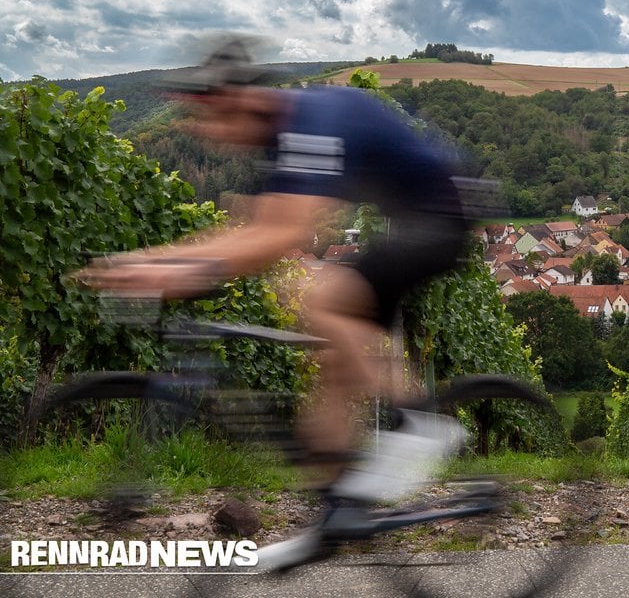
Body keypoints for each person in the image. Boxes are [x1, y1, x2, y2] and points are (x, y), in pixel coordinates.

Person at [80, 35, 471, 569]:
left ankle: (420, 422)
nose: (212, 136)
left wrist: (176, 272)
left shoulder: (309, 123)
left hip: (439, 220)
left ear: (243, 101)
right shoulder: (281, 136)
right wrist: (155, 261)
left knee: (322, 301)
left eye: (213, 120)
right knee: (327, 378)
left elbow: (276, 237)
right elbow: (252, 232)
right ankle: (336, 516)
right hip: (400, 225)